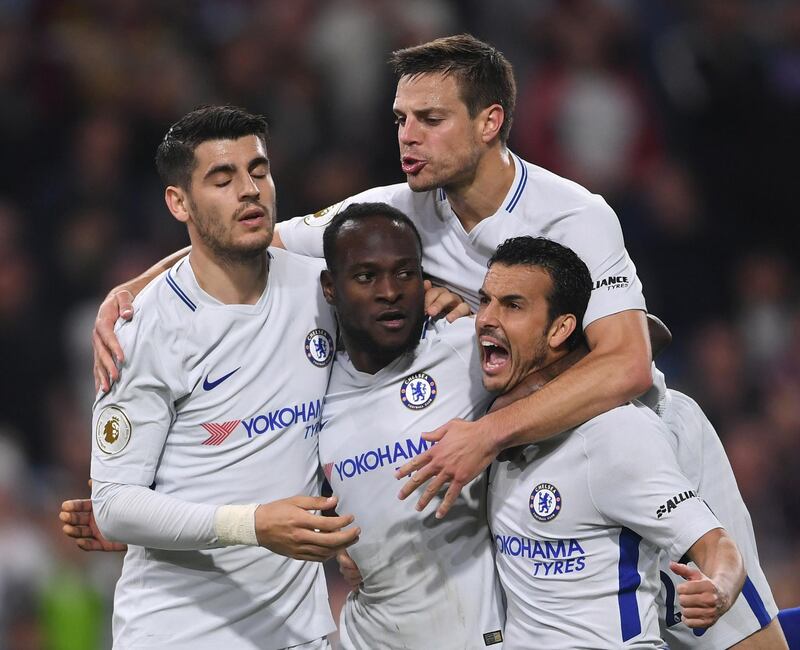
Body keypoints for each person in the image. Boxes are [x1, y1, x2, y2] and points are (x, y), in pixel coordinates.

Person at [83, 34, 782, 647]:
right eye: (399, 120)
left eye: (429, 119)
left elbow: (627, 365)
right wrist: (131, 292)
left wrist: (487, 436)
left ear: (490, 122)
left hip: (637, 442)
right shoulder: (399, 212)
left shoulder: (574, 213)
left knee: (729, 631)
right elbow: (251, 233)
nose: (406, 137)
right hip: (527, 476)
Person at [87, 105, 362, 650]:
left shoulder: (323, 290)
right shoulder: (146, 329)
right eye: (223, 177)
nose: (249, 190)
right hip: (178, 633)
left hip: (298, 632)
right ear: (178, 202)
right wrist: (253, 525)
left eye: (258, 171)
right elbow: (114, 505)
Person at [479, 236, 745, 648]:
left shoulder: (617, 434)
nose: (485, 319)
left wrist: (719, 590)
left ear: (561, 329)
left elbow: (717, 544)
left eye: (512, 305)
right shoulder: (492, 430)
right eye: (484, 302)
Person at [317, 203, 504, 649]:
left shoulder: (466, 348)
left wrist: (492, 432)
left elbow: (593, 361)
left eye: (405, 274)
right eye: (366, 277)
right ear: (330, 287)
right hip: (369, 637)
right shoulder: (311, 384)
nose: (389, 292)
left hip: (480, 635)